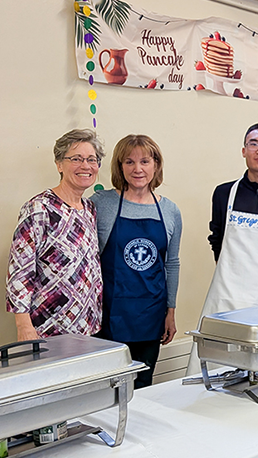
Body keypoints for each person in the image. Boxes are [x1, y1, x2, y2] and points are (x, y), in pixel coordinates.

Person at [187, 122, 258, 374]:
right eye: (254, 144)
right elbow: (216, 237)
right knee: (213, 360)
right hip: (224, 293)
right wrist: (230, 268)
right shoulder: (224, 193)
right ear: (244, 150)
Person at [90, 135, 181, 389]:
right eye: (129, 162)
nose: (137, 169)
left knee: (143, 385)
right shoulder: (101, 204)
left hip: (151, 314)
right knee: (106, 387)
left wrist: (170, 310)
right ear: (120, 167)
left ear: (156, 165)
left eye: (144, 161)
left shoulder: (170, 211)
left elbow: (171, 263)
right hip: (110, 314)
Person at [6, 129, 105, 341]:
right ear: (59, 164)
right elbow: (19, 271)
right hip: (48, 328)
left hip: (89, 326)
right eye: (76, 159)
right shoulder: (39, 208)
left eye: (92, 159)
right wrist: (23, 325)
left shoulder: (89, 209)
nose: (86, 166)